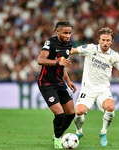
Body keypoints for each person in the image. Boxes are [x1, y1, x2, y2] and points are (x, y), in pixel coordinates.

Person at [70, 27, 119, 146]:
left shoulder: (114, 55)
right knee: (78, 112)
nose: (105, 43)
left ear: (112, 42)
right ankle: (79, 131)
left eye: (108, 40)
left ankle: (103, 132)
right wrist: (60, 51)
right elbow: (73, 51)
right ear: (99, 40)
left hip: (103, 89)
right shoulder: (90, 48)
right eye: (103, 40)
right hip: (88, 89)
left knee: (110, 108)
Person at [37, 20, 77, 149]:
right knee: (59, 114)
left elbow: (63, 65)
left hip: (60, 82)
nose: (67, 35)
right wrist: (57, 62)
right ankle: (58, 139)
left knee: (71, 114)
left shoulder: (68, 45)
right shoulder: (50, 42)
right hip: (46, 83)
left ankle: (58, 135)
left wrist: (68, 80)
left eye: (69, 33)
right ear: (57, 31)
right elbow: (40, 60)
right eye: (65, 33)